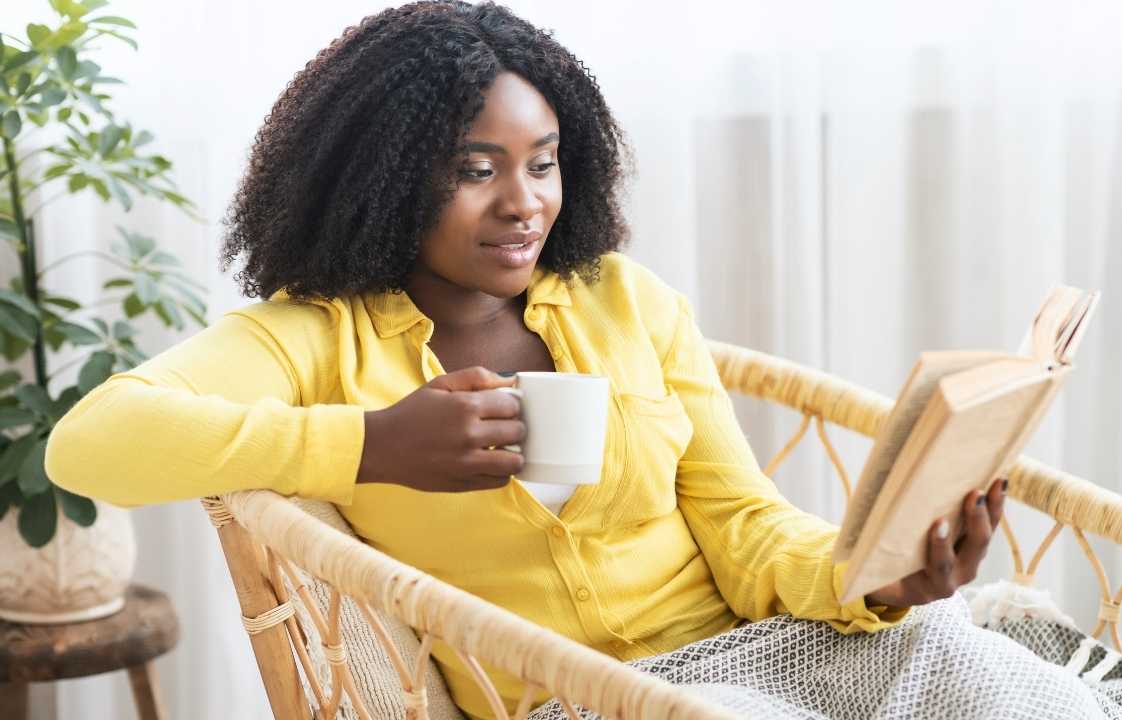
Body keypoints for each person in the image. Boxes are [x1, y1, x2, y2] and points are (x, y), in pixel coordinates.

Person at [46, 2, 1006, 718]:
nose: (523, 203)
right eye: (475, 170)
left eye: (541, 163)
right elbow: (88, 449)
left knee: (971, 669)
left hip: (767, 659)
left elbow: (743, 523)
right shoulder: (314, 336)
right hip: (573, 704)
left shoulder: (626, 300)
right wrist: (374, 444)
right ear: (376, 180)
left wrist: (868, 579)